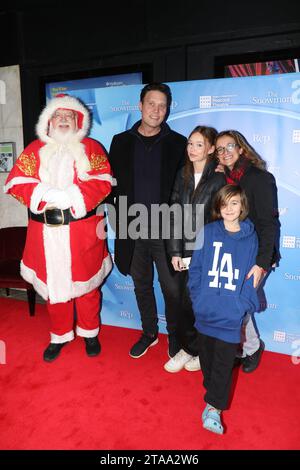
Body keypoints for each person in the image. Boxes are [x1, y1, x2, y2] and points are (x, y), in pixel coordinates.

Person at [4, 94, 115, 362]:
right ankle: (60, 335)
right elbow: (15, 183)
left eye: (69, 116)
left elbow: (103, 182)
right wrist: (46, 194)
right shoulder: (34, 149)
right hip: (44, 234)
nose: (64, 120)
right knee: (55, 289)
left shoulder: (92, 148)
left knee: (87, 287)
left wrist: (73, 197)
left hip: (83, 231)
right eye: (58, 115)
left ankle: (90, 332)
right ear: (49, 121)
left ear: (79, 121)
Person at [108, 82, 187, 359]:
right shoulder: (120, 141)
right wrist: (112, 220)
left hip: (167, 229)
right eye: (151, 104)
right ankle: (149, 332)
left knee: (173, 289)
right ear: (140, 106)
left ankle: (176, 338)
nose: (156, 110)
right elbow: (111, 187)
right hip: (133, 228)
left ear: (167, 109)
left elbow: (186, 191)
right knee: (141, 285)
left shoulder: (179, 143)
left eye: (162, 105)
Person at [188, 185, 259, 434]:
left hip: (230, 316)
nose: (229, 209)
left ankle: (213, 409)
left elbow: (252, 277)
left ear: (243, 206)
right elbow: (195, 269)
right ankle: (212, 393)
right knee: (207, 362)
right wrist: (197, 299)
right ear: (218, 206)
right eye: (224, 204)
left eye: (235, 203)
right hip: (205, 311)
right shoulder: (207, 232)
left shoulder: (250, 237)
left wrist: (242, 306)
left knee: (223, 363)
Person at [215, 130, 279, 373]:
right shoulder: (227, 179)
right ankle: (246, 347)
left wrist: (261, 263)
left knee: (238, 304)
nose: (225, 152)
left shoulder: (259, 178)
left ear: (241, 148)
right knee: (235, 304)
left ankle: (251, 348)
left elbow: (268, 224)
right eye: (220, 149)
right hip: (234, 252)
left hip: (256, 255)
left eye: (230, 146)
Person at [164, 125, 226, 373]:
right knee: (181, 303)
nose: (192, 148)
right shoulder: (182, 174)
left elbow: (224, 217)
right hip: (184, 250)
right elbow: (174, 214)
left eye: (199, 144)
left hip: (208, 252)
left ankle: (199, 350)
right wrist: (175, 251)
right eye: (190, 143)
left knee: (201, 305)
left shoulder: (220, 178)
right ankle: (190, 347)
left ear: (211, 149)